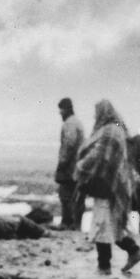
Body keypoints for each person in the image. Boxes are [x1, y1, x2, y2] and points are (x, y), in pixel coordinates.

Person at [74, 99, 140, 274]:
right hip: (116, 185)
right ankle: (134, 251)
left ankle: (104, 266)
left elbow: (100, 156)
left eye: (96, 113)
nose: (94, 117)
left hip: (107, 185)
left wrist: (80, 166)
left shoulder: (110, 131)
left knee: (102, 225)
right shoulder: (118, 128)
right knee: (114, 224)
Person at [54, 98, 86, 230]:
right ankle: (76, 224)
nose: (60, 113)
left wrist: (62, 163)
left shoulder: (69, 123)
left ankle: (68, 223)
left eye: (61, 109)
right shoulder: (77, 122)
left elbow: (69, 144)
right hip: (78, 166)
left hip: (70, 167)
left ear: (66, 109)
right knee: (77, 196)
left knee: (66, 195)